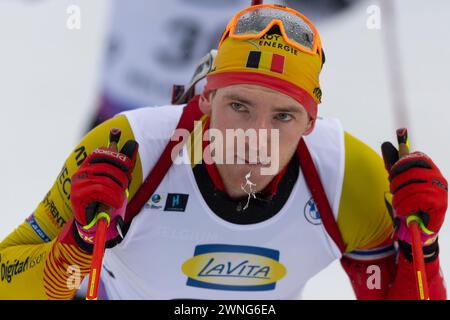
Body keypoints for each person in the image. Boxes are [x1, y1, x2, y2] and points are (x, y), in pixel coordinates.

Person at [0, 4, 447, 300]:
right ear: (206, 100)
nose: (257, 135)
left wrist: (420, 249)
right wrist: (78, 245)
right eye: (239, 106)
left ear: (311, 123)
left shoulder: (347, 174)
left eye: (284, 117)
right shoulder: (130, 152)